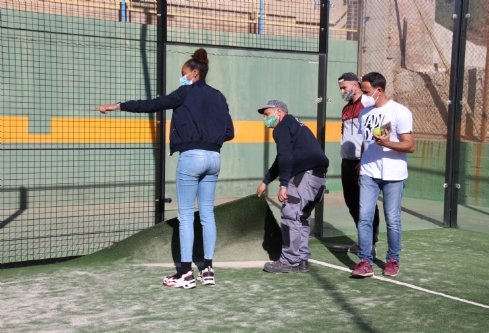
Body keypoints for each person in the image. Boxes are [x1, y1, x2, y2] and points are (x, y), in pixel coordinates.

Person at [94, 48, 234, 289]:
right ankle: (208, 270)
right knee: (208, 214)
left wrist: (117, 106)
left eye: (184, 73)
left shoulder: (185, 92)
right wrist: (211, 137)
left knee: (186, 216)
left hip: (192, 157)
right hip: (214, 157)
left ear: (194, 74)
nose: (182, 77)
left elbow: (154, 104)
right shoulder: (219, 96)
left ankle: (185, 274)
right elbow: (230, 132)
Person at [351, 72, 414, 278]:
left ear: (379, 90)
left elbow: (409, 146)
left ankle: (393, 260)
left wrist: (388, 143)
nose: (364, 95)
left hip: (394, 175)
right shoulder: (364, 113)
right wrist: (362, 162)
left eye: (367, 91)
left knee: (392, 219)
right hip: (369, 173)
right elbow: (364, 142)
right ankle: (365, 261)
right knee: (364, 218)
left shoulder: (400, 112)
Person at [256, 100, 329, 274]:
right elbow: (282, 158)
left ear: (279, 112)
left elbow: (285, 157)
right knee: (301, 217)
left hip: (304, 176)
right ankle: (302, 259)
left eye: (267, 114)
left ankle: (288, 261)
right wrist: (266, 180)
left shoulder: (282, 127)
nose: (265, 119)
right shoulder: (296, 125)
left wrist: (283, 185)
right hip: (318, 177)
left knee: (290, 215)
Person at [337, 72, 380, 256]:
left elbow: (374, 133)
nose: (342, 91)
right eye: (340, 88)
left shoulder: (369, 104)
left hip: (364, 162)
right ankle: (363, 239)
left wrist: (365, 158)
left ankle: (371, 242)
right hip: (347, 162)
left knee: (367, 204)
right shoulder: (346, 110)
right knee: (352, 202)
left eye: (344, 88)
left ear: (355, 86)